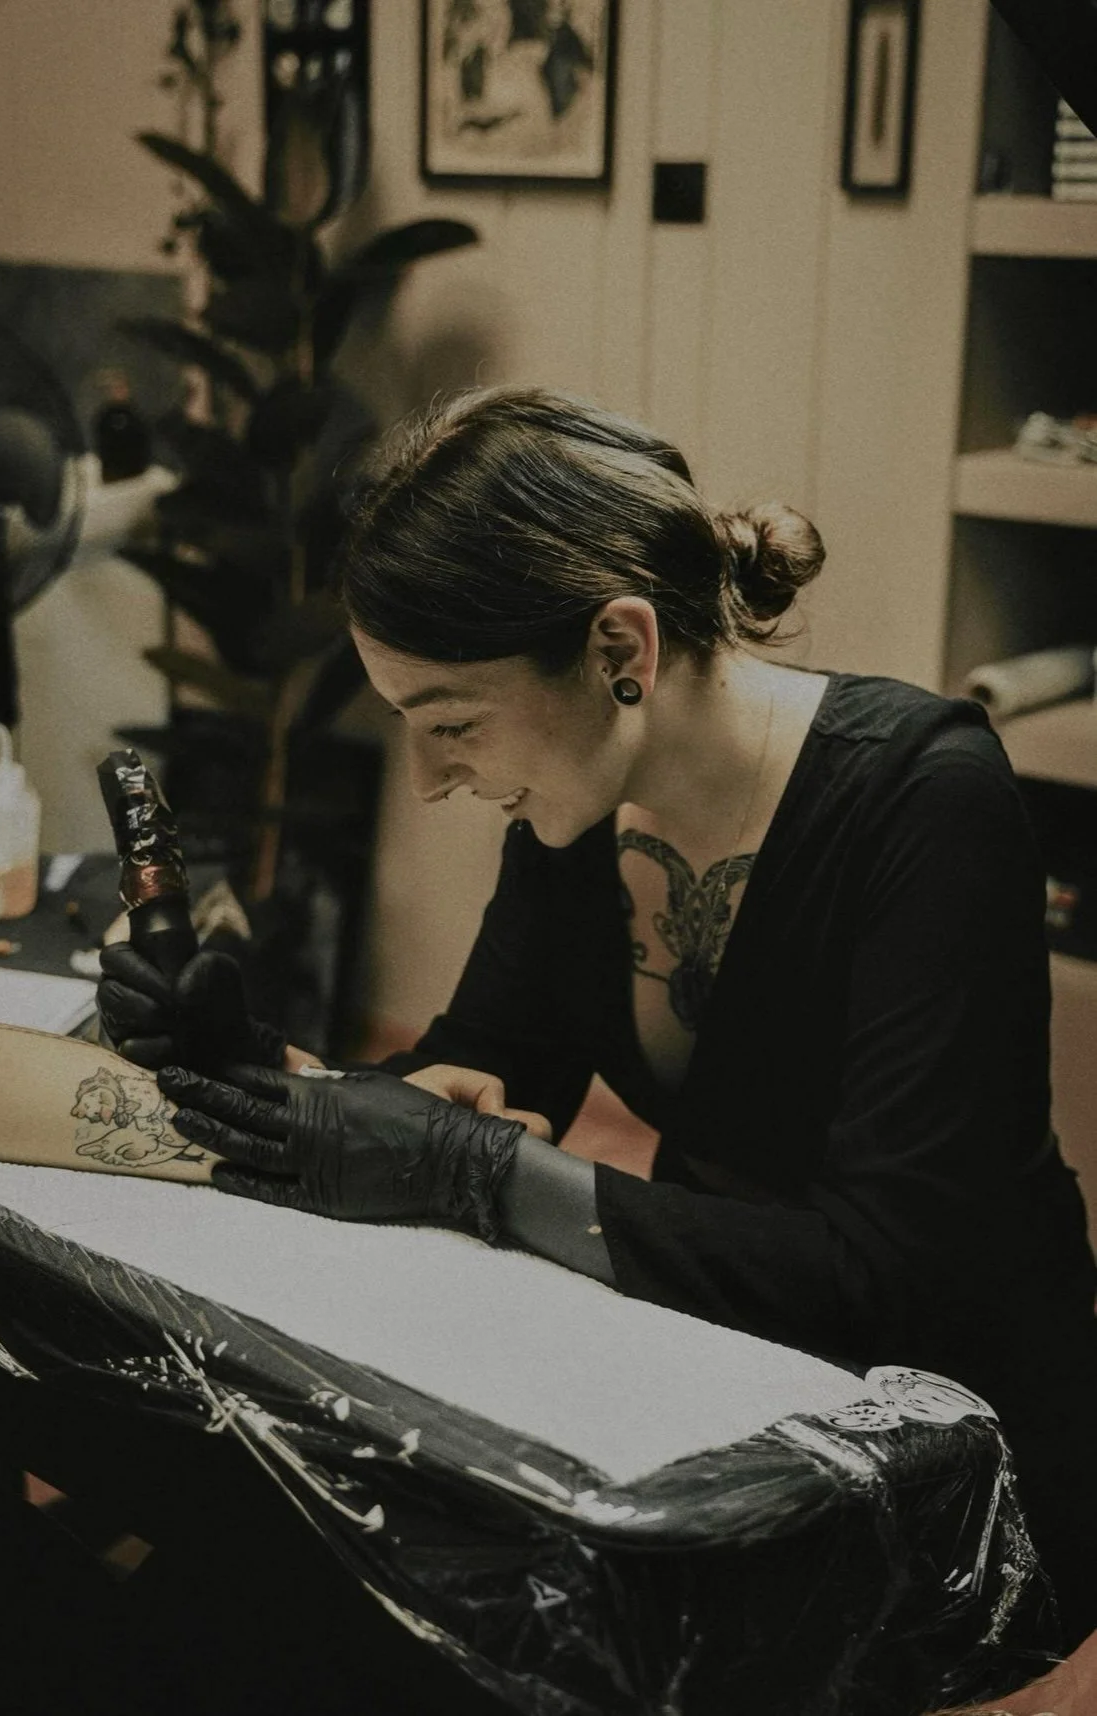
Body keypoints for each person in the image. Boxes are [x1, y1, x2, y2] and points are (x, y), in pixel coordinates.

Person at [97, 384, 1097, 1652]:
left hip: (955, 1456)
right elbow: (489, 1068)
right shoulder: (574, 806)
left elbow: (889, 1277)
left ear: (622, 652)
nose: (430, 778)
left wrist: (486, 1169)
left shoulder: (928, 801)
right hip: (726, 1358)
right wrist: (262, 1066)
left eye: (449, 723)